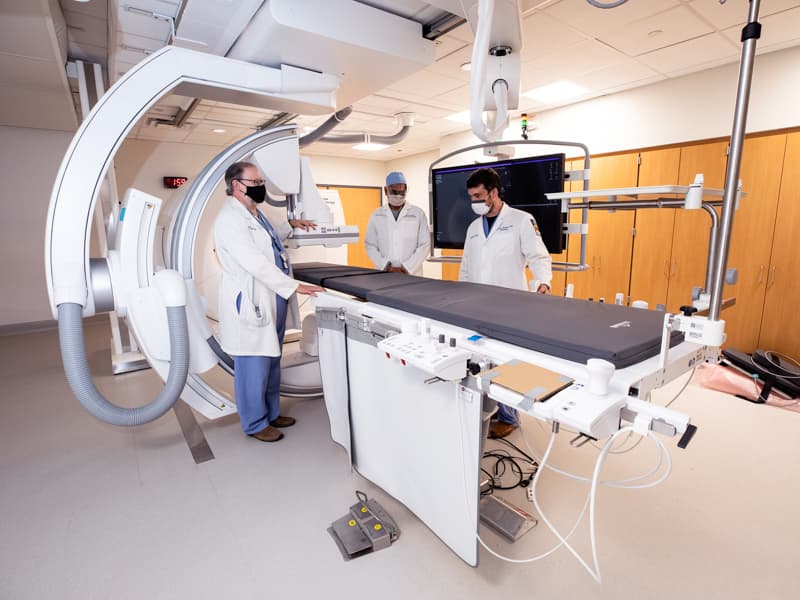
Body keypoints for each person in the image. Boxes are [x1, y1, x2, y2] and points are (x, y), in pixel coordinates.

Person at [214, 161, 324, 443]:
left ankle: (272, 413)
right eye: (256, 182)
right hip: (253, 299)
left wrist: (290, 225)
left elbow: (269, 237)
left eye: (261, 181)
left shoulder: (254, 212)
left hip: (272, 296)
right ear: (237, 185)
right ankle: (254, 422)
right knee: (254, 365)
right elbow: (254, 261)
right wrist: (294, 285)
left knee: (272, 358)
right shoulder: (229, 218)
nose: (261, 186)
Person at [459, 167, 553, 439]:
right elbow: (466, 266)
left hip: (511, 303)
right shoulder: (474, 227)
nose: (474, 201)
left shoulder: (521, 220)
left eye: (478, 195)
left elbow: (538, 256)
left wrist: (543, 282)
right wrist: (461, 296)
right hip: (477, 302)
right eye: (471, 196)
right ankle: (486, 407)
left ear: (494, 192)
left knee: (508, 363)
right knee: (481, 359)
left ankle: (510, 416)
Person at [364, 171, 430, 275]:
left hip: (412, 274)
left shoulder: (418, 214)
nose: (399, 196)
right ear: (386, 190)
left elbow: (425, 244)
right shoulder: (376, 215)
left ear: (406, 189)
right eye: (394, 192)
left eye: (402, 192)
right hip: (384, 273)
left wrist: (407, 267)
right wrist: (386, 265)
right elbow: (370, 245)